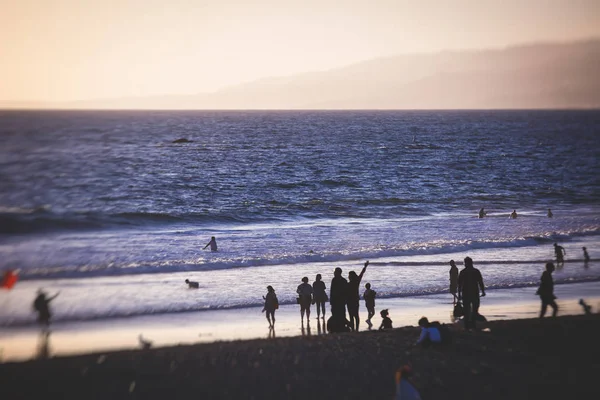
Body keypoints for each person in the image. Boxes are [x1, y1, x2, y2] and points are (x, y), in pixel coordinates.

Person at [457, 256, 486, 331]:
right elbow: (480, 282)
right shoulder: (476, 271)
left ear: (465, 263)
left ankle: (467, 327)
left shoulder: (463, 272)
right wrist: (483, 291)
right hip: (474, 293)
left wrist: (459, 295)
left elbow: (459, 285)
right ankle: (473, 325)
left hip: (465, 293)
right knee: (475, 310)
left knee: (467, 311)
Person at [347, 261, 369, 331]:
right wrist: (365, 267)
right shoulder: (355, 282)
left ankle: (354, 328)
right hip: (354, 300)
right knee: (354, 315)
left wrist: (365, 267)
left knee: (353, 315)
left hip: (351, 300)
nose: (348, 277)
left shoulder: (352, 283)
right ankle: (355, 329)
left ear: (351, 276)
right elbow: (361, 274)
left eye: (349, 275)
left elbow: (361, 274)